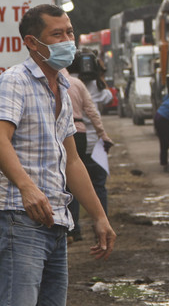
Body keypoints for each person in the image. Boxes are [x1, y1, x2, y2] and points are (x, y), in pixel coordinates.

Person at [0, 4, 116, 306]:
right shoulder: (14, 81)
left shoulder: (63, 88)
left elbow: (72, 161)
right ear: (32, 43)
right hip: (17, 218)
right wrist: (27, 187)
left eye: (69, 32)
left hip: (56, 221)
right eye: (56, 35)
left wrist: (99, 216)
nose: (68, 40)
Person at [64, 54, 114, 242]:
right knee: (99, 185)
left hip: (74, 140)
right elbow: (107, 98)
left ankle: (74, 229)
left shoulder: (67, 83)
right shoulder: (96, 87)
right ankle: (101, 225)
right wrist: (100, 76)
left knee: (72, 186)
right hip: (95, 144)